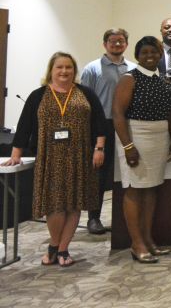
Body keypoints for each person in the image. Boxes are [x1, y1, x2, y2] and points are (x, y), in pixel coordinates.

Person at [2, 52, 106, 267]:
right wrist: (15, 155)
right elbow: (24, 127)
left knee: (74, 205)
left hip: (79, 157)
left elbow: (99, 123)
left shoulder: (86, 93)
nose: (64, 71)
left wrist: (99, 148)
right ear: (51, 69)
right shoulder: (38, 95)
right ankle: (54, 245)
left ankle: (63, 249)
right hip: (50, 159)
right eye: (59, 67)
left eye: (69, 67)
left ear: (74, 70)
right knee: (55, 205)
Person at [111, 36, 171, 263]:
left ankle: (148, 239)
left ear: (161, 54)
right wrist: (128, 146)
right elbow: (118, 114)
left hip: (159, 138)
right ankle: (136, 242)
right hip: (136, 137)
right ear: (138, 56)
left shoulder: (164, 79)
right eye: (144, 53)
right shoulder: (129, 78)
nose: (150, 56)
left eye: (154, 52)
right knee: (134, 189)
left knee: (151, 189)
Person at [80, 28, 136, 235]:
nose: (117, 45)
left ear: (126, 44)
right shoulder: (92, 69)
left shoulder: (133, 68)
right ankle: (94, 218)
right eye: (112, 41)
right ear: (105, 44)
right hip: (101, 125)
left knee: (126, 171)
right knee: (99, 174)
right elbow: (85, 101)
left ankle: (124, 219)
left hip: (127, 125)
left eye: (121, 41)